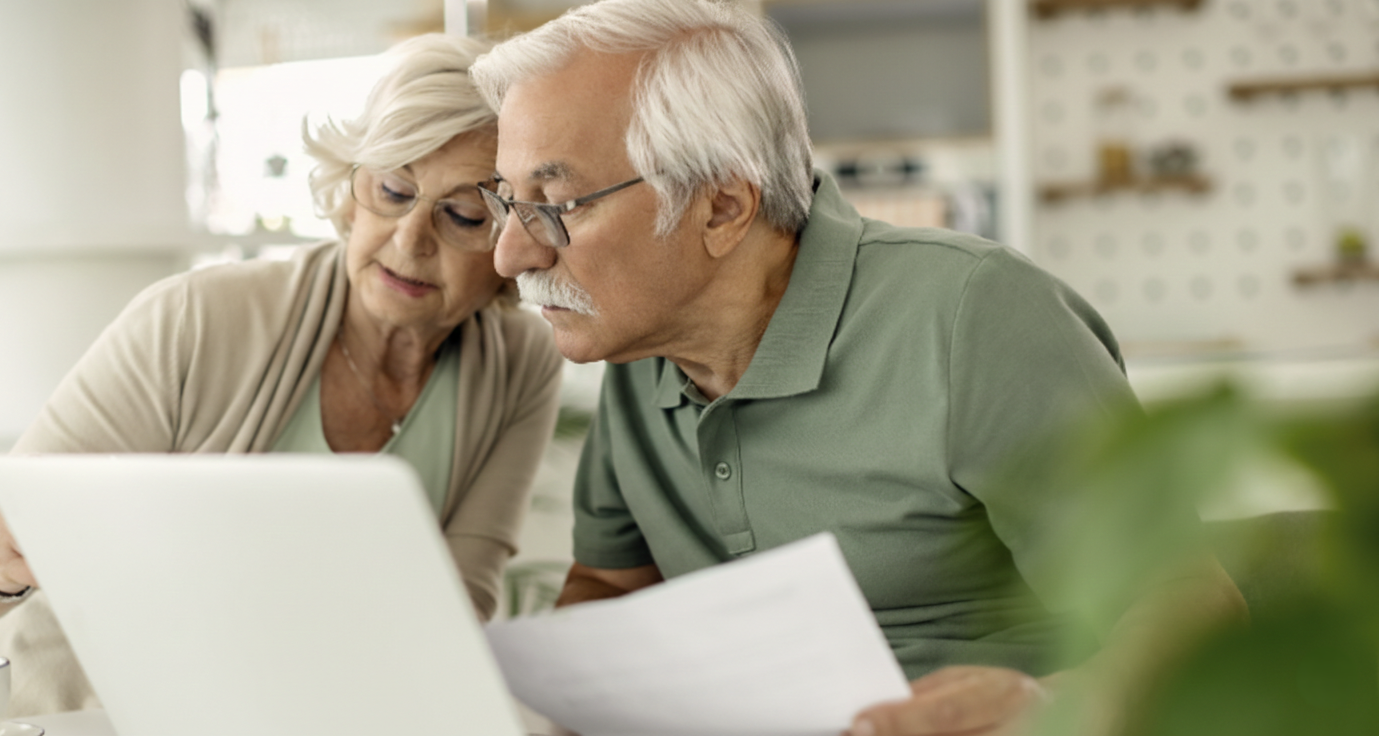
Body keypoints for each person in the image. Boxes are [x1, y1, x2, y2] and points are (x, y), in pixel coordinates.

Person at [469, 1, 1247, 735]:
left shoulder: (974, 317)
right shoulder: (639, 346)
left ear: (723, 208)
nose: (511, 254)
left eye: (557, 205)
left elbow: (1190, 614)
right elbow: (609, 585)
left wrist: (1044, 709)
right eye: (508, 200)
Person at [0, 33, 563, 717]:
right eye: (393, 189)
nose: (409, 240)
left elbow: (458, 603)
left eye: (463, 215)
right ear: (350, 194)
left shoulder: (520, 364)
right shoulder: (195, 318)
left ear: (514, 237)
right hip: (80, 713)